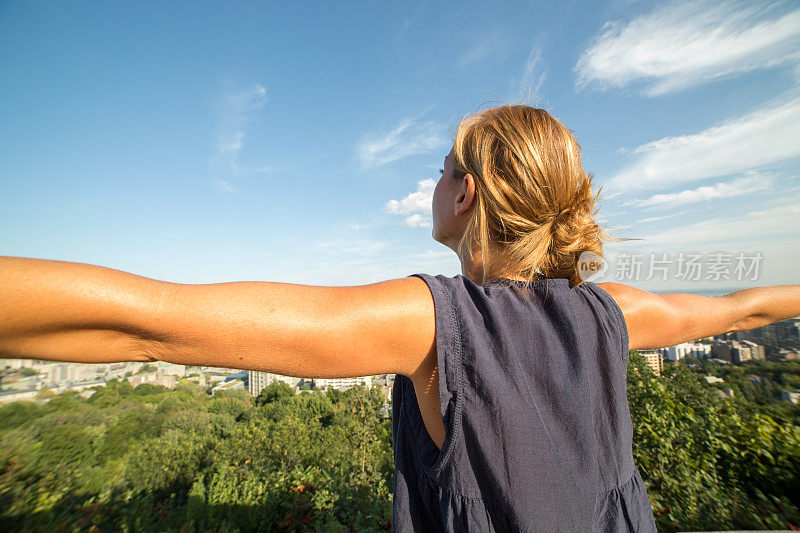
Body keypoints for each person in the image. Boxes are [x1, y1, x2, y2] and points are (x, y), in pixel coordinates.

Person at [0, 104, 798, 532]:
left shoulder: (432, 322)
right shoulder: (608, 310)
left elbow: (155, 324)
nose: (434, 179)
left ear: (467, 193)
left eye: (442, 164)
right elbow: (748, 304)